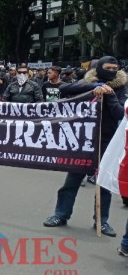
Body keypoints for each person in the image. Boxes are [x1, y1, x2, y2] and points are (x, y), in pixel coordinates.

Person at [43, 56, 127, 236]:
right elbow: (64, 88)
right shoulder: (88, 81)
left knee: (103, 183)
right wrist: (94, 87)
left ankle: (102, 221)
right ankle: (61, 214)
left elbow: (120, 112)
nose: (112, 70)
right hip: (84, 140)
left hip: (107, 141)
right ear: (99, 69)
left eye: (115, 68)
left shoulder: (121, 87)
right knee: (72, 179)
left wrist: (109, 94)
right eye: (108, 67)